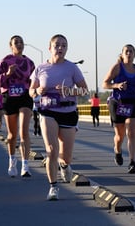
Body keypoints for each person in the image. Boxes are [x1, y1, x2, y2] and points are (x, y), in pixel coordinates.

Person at [29, 34, 88, 201]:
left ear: (67, 49)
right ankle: (53, 187)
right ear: (50, 48)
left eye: (63, 45)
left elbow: (85, 90)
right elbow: (31, 90)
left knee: (65, 155)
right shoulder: (40, 68)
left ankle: (65, 165)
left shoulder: (72, 68)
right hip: (47, 111)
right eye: (57, 45)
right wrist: (36, 91)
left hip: (68, 112)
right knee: (51, 150)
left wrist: (70, 92)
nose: (60, 48)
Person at [0, 35, 35, 178]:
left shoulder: (29, 63)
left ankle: (25, 165)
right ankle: (12, 160)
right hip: (9, 97)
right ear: (11, 45)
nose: (19, 44)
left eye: (21, 42)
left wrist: (37, 89)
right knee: (12, 135)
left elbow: (36, 80)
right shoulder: (4, 61)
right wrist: (7, 74)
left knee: (24, 132)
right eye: (16, 42)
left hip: (25, 97)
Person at [102, 44, 135, 175]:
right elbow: (105, 83)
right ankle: (117, 150)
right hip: (118, 102)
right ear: (122, 54)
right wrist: (117, 85)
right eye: (127, 52)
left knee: (132, 132)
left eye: (131, 52)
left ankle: (132, 162)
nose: (129, 54)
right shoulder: (117, 67)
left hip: (134, 101)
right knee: (120, 135)